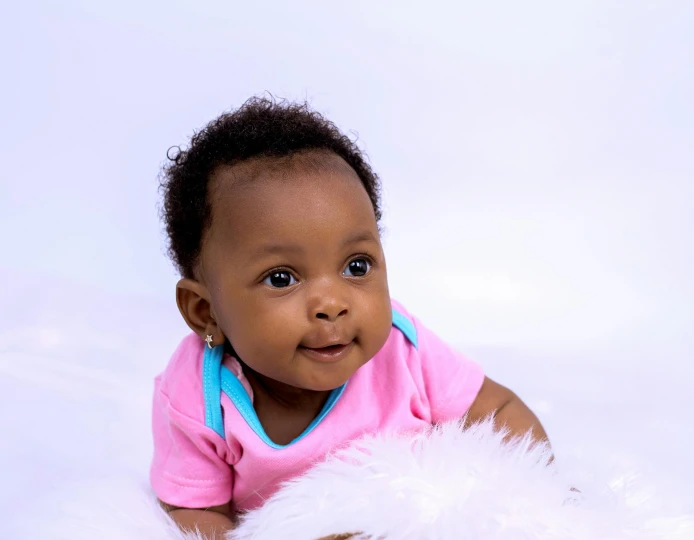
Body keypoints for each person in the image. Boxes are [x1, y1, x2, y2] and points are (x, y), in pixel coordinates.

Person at [151, 97, 550, 538]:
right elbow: (194, 511)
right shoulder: (198, 395)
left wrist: (532, 496)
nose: (332, 303)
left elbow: (499, 410)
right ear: (205, 312)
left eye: (356, 266)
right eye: (282, 278)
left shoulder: (404, 349)